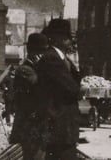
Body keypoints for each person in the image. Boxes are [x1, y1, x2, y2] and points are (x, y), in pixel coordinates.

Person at [37, 19, 81, 160]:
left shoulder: (62, 59)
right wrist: (81, 89)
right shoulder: (51, 58)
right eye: (66, 37)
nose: (70, 41)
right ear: (57, 38)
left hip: (63, 126)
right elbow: (71, 89)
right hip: (58, 125)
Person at [9, 33, 49, 160]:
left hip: (36, 125)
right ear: (34, 52)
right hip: (28, 125)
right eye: (42, 51)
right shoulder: (25, 70)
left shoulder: (35, 68)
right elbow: (40, 86)